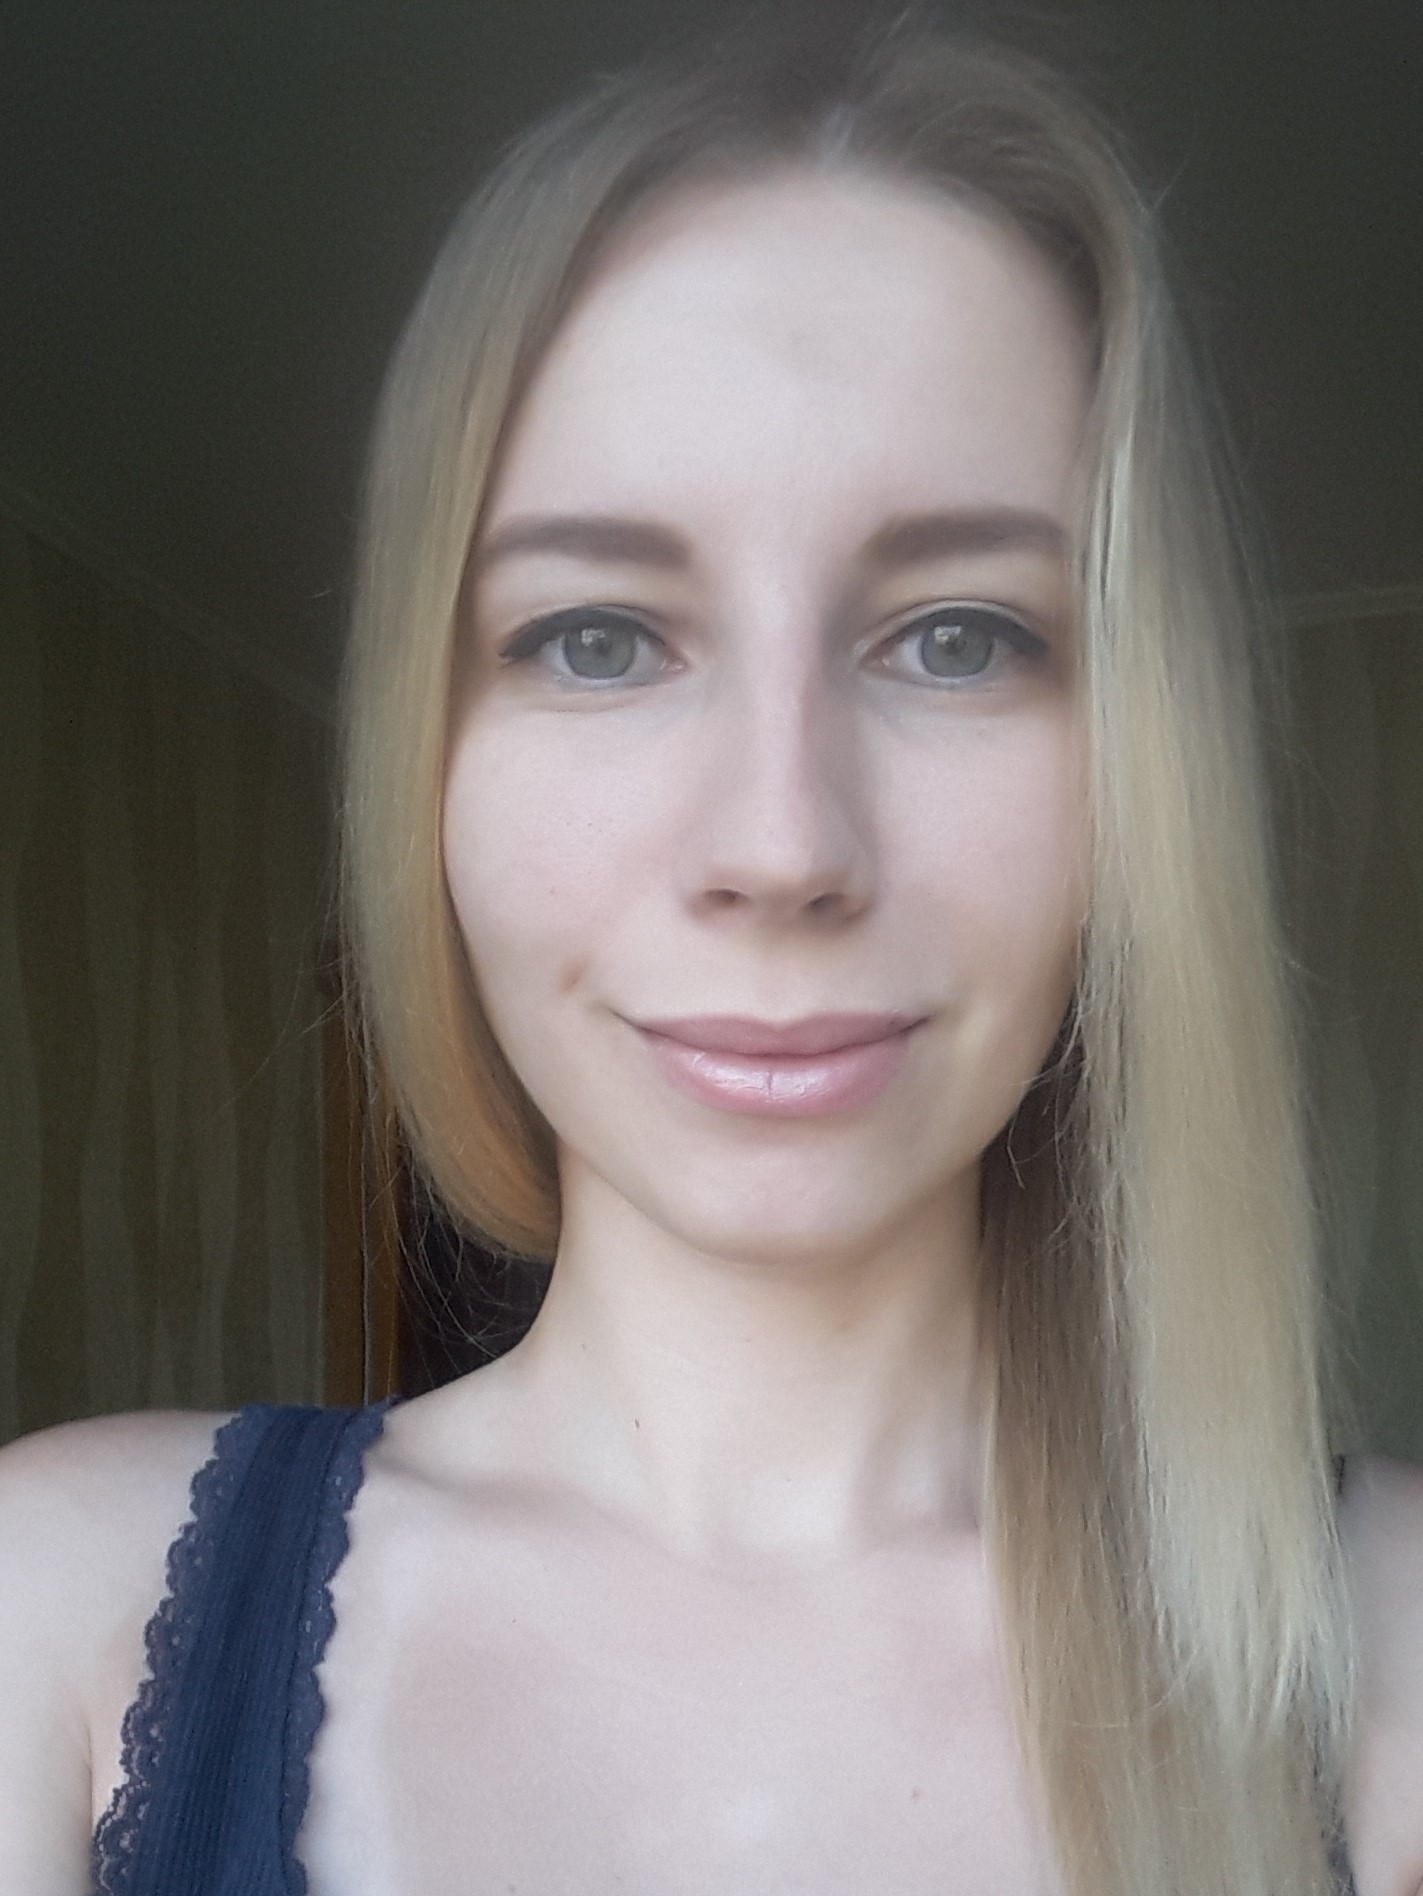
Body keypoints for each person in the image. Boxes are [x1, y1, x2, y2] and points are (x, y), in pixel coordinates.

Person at [2, 10, 1420, 1894]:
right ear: (427, 766)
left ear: (1140, 776)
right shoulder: (54, 1627)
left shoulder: (1394, 1664)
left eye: (960, 637)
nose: (780, 846)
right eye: (598, 638)